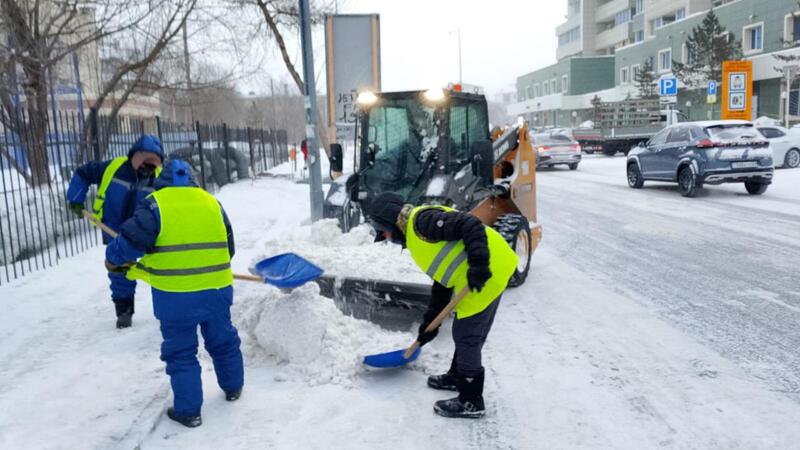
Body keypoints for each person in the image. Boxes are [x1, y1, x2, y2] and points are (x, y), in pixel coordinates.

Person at [104, 159, 244, 428]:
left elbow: (130, 243)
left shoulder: (155, 205)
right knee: (223, 339)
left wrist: (113, 258)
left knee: (181, 352)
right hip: (217, 289)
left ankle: (189, 411)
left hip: (175, 296)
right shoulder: (212, 202)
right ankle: (233, 387)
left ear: (162, 180)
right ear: (192, 179)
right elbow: (230, 247)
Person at [365, 192, 518, 419]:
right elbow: (442, 280)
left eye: (384, 232)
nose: (386, 237)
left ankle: (471, 400)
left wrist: (478, 264)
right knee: (466, 332)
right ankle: (457, 377)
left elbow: (471, 224)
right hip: (490, 269)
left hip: (486, 271)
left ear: (390, 224)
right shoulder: (416, 233)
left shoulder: (421, 223)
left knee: (467, 336)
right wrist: (429, 325)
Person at [66, 135, 164, 328]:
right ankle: (124, 310)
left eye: (155, 163)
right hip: (115, 228)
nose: (150, 167)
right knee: (118, 268)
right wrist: (75, 199)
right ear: (135, 156)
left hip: (146, 232)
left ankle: (170, 308)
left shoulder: (160, 179)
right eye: (147, 161)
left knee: (161, 269)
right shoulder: (113, 169)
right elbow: (83, 173)